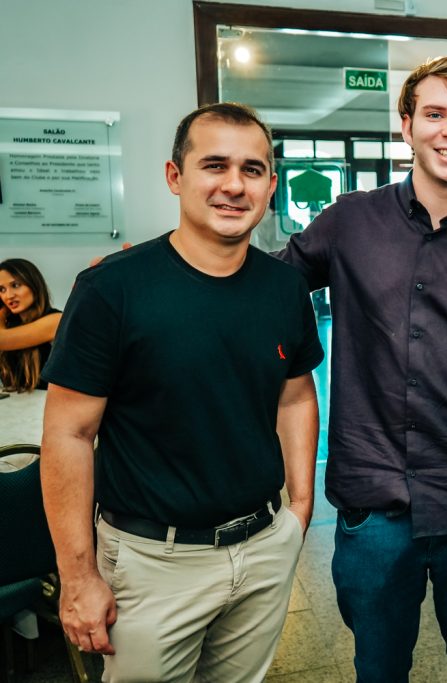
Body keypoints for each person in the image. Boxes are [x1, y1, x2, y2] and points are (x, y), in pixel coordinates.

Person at [274, 57, 447, 682]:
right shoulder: (349, 221)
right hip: (372, 507)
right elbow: (266, 285)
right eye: (435, 114)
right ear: (406, 125)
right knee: (377, 667)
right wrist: (164, 268)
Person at [40, 102, 323, 682]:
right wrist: (78, 576)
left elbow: (295, 397)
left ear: (271, 185)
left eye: (251, 170)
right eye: (214, 165)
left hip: (264, 548)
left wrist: (298, 508)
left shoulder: (285, 287)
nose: (233, 186)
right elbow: (69, 433)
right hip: (151, 562)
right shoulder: (111, 289)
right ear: (176, 177)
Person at [0, 258, 61, 392]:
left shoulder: (56, 320)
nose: (8, 295)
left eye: (15, 285)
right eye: (2, 289)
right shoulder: (8, 325)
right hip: (18, 407)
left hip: (49, 406)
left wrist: (1, 314)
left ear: (34, 285)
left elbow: (2, 340)